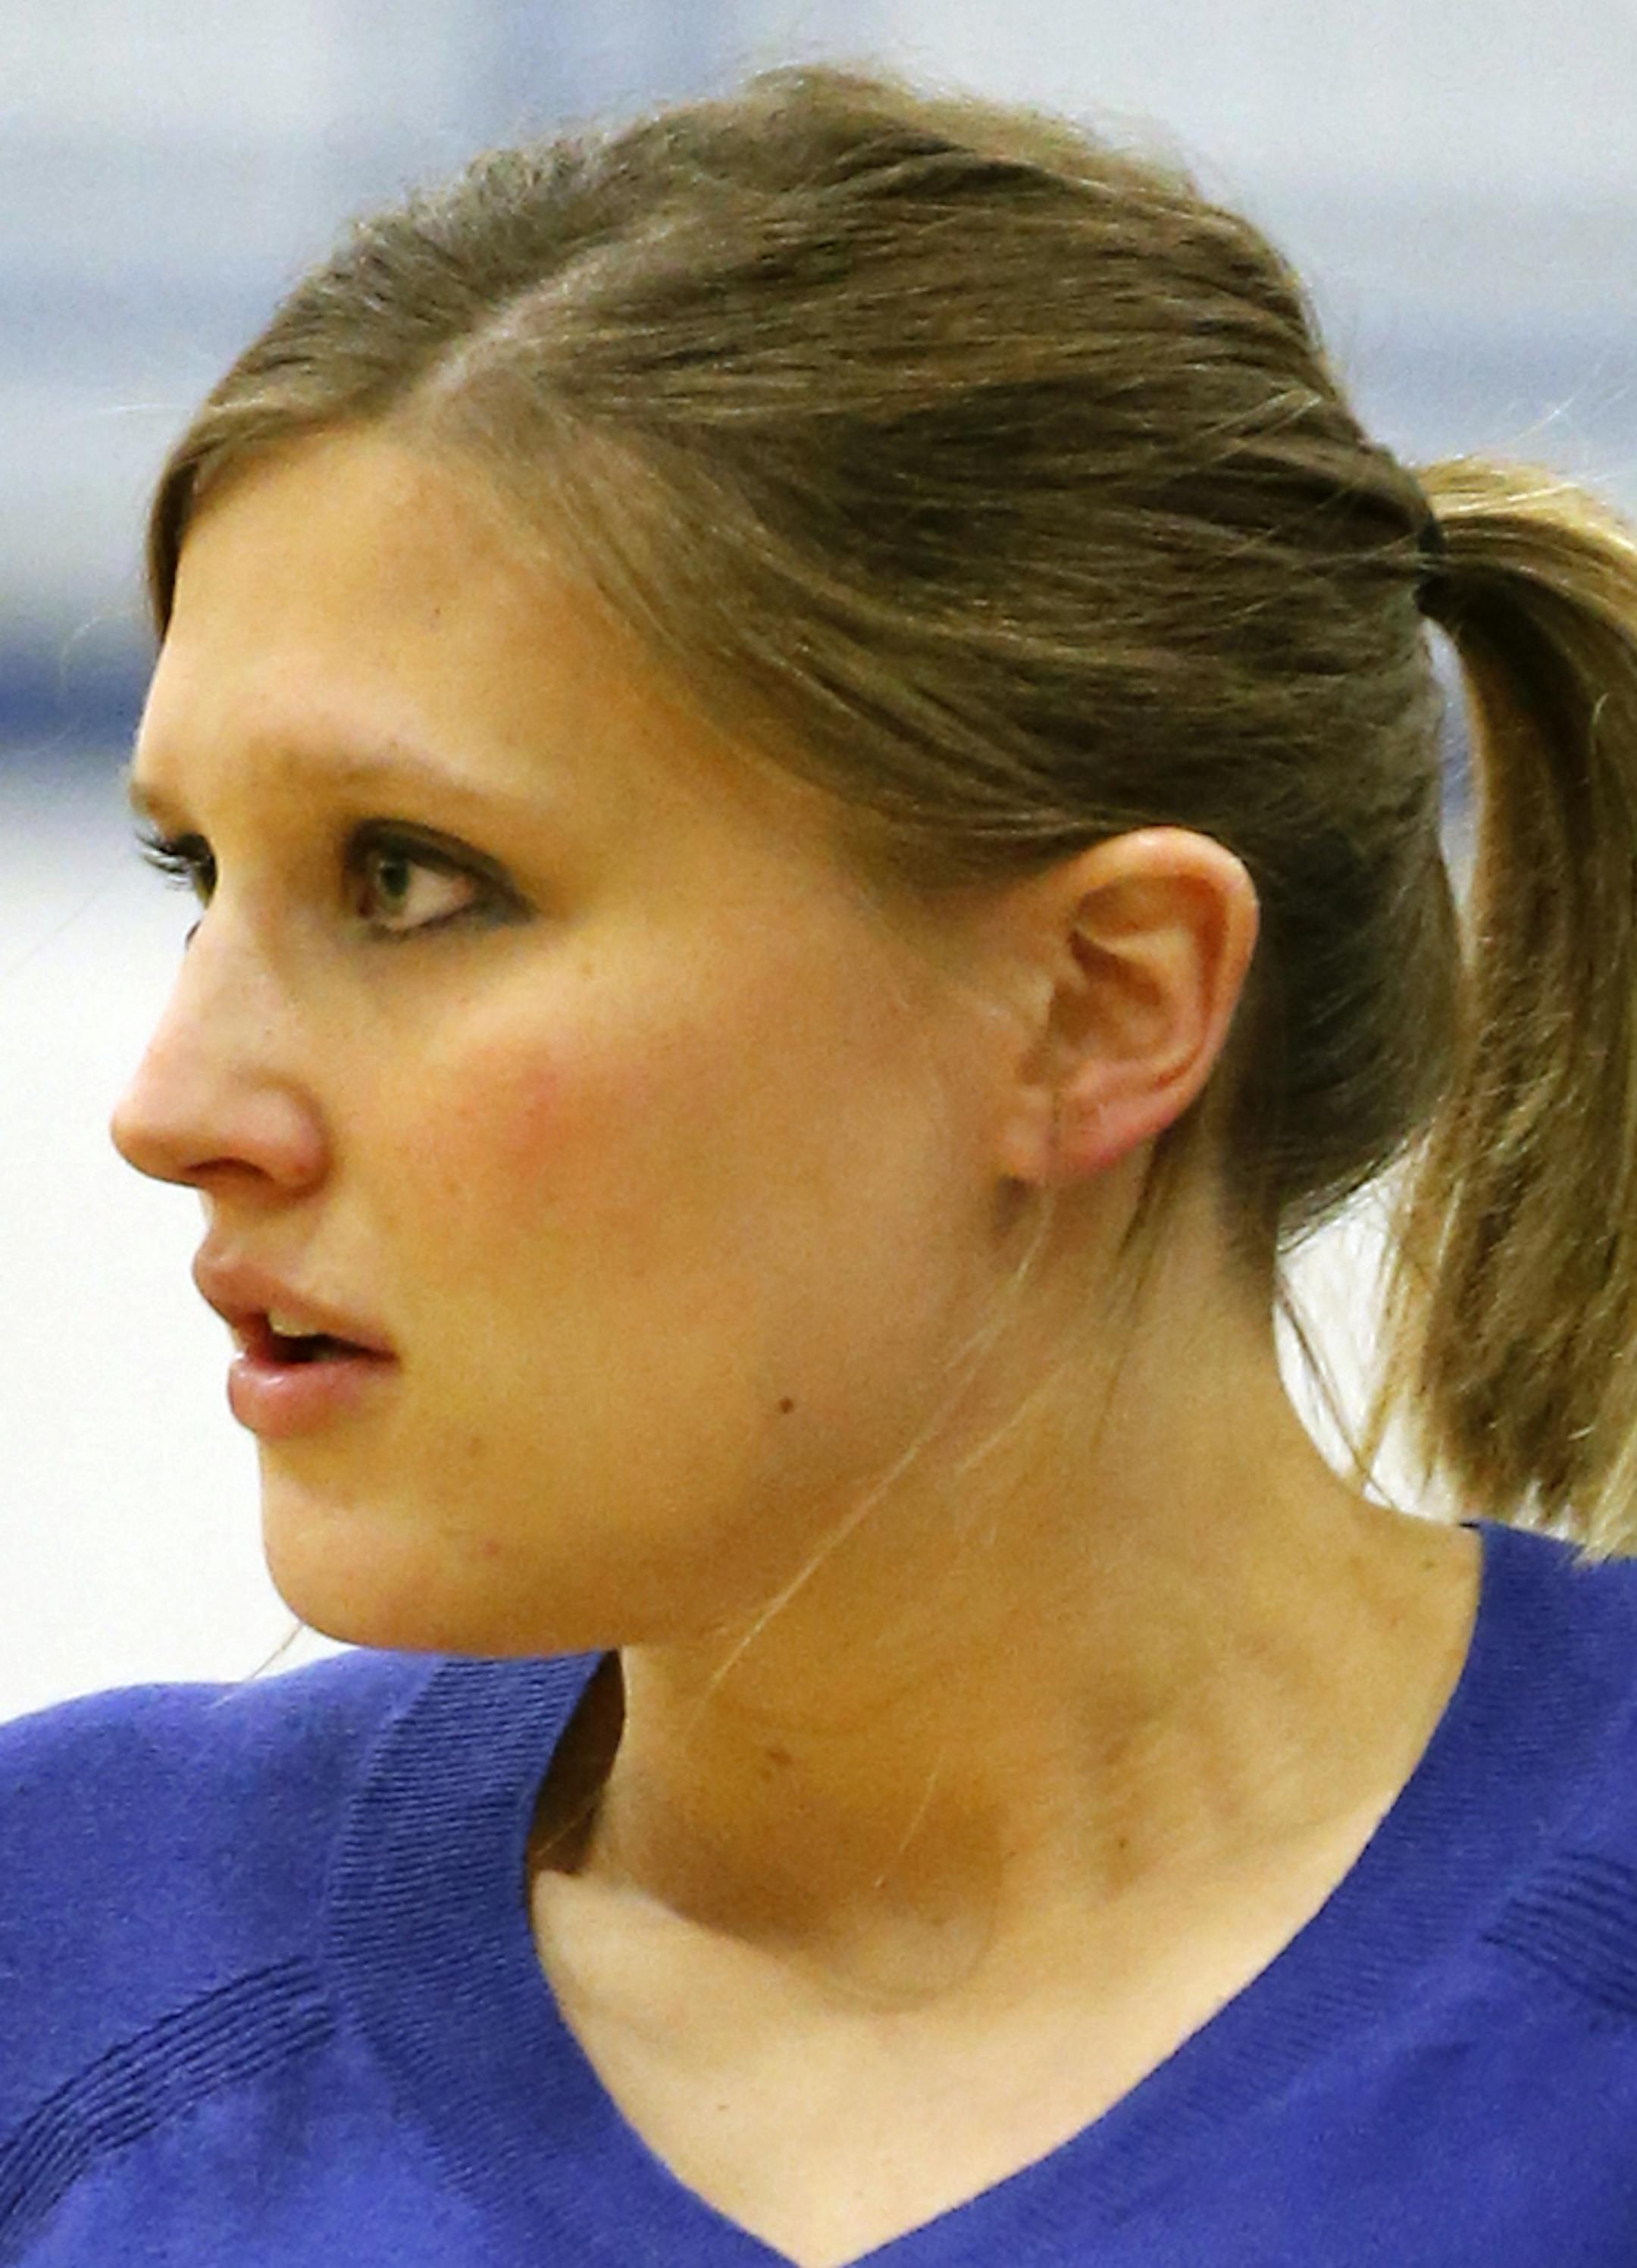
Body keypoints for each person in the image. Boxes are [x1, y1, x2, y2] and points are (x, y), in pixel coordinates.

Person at [6, 62, 1637, 2268]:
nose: (175, 1097)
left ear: (1102, 1002)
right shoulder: (71, 1976)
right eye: (202, 869)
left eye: (411, 879)